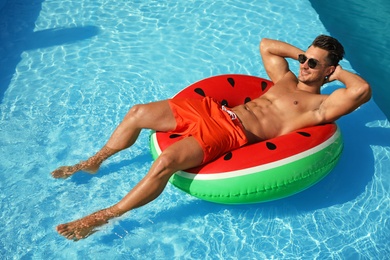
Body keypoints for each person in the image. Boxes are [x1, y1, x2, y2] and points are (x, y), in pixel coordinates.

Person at [52, 35, 371, 240]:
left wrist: (336, 71)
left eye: (313, 64)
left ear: (328, 71)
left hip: (229, 131)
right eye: (303, 59)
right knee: (137, 112)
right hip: (210, 110)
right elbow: (266, 45)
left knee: (166, 162)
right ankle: (95, 160)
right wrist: (305, 54)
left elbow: (361, 91)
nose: (303, 66)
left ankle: (107, 214)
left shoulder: (320, 107)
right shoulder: (284, 78)